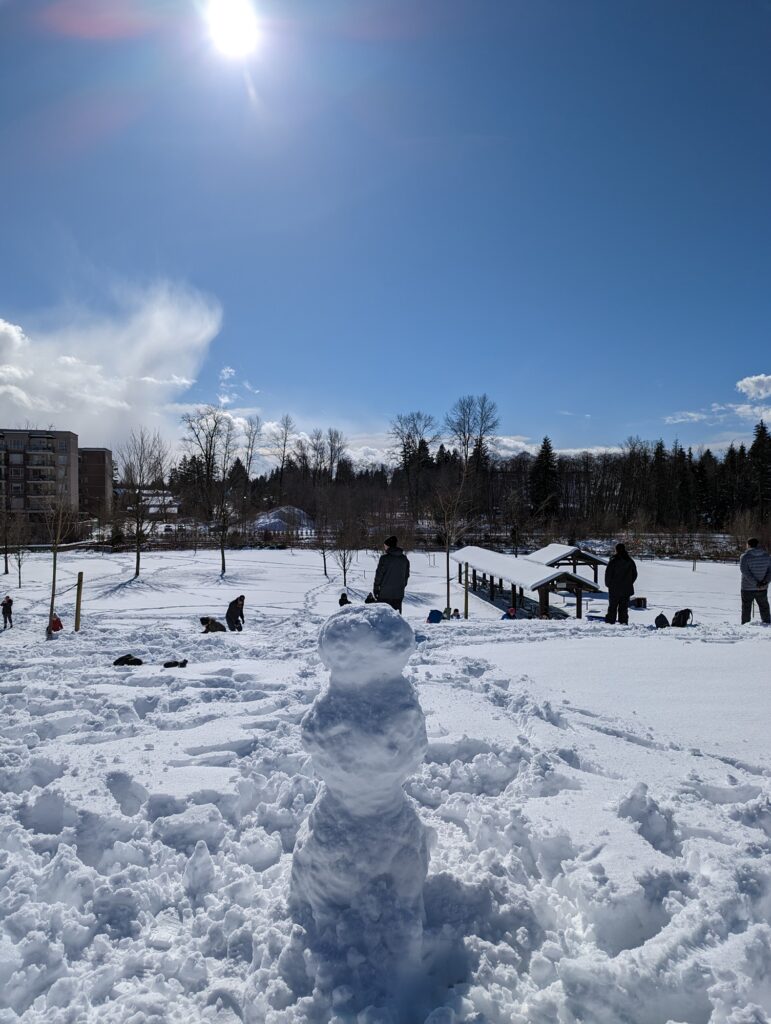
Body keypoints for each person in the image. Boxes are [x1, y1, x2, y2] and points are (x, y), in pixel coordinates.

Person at [373, 536, 410, 613]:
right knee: (396, 619)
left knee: (383, 618)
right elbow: (406, 576)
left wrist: (376, 588)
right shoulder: (404, 559)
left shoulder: (384, 559)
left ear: (389, 546)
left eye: (385, 545)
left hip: (384, 594)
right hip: (398, 594)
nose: (384, 547)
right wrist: (401, 586)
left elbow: (379, 575)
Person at [604, 543, 638, 625]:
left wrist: (609, 585)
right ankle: (623, 624)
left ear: (616, 550)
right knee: (623, 609)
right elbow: (635, 574)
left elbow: (608, 574)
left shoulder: (613, 561)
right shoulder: (630, 561)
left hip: (614, 589)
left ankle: (610, 624)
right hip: (626, 589)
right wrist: (629, 583)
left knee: (612, 608)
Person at [739, 537, 771, 625]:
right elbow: (770, 572)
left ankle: (745, 625)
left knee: (746, 607)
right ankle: (767, 623)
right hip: (762, 588)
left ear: (748, 545)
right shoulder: (766, 556)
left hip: (747, 588)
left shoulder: (745, 557)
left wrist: (756, 583)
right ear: (757, 545)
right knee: (764, 606)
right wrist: (764, 582)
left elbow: (745, 572)